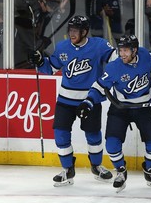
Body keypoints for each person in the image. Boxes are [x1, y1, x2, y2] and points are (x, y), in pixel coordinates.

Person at [28, 15, 118, 187]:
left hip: (90, 100)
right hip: (65, 100)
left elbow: (117, 59)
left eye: (76, 31)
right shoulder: (62, 47)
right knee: (60, 134)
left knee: (93, 135)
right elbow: (50, 68)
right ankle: (67, 169)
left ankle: (96, 166)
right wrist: (40, 61)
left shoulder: (98, 45)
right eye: (70, 30)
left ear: (85, 32)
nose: (72, 34)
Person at [77, 34, 151, 192]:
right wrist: (88, 102)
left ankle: (150, 171)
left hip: (143, 108)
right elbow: (99, 86)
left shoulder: (145, 56)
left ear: (135, 50)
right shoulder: (114, 67)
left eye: (126, 50)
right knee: (112, 145)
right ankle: (120, 171)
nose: (122, 54)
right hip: (120, 109)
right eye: (120, 50)